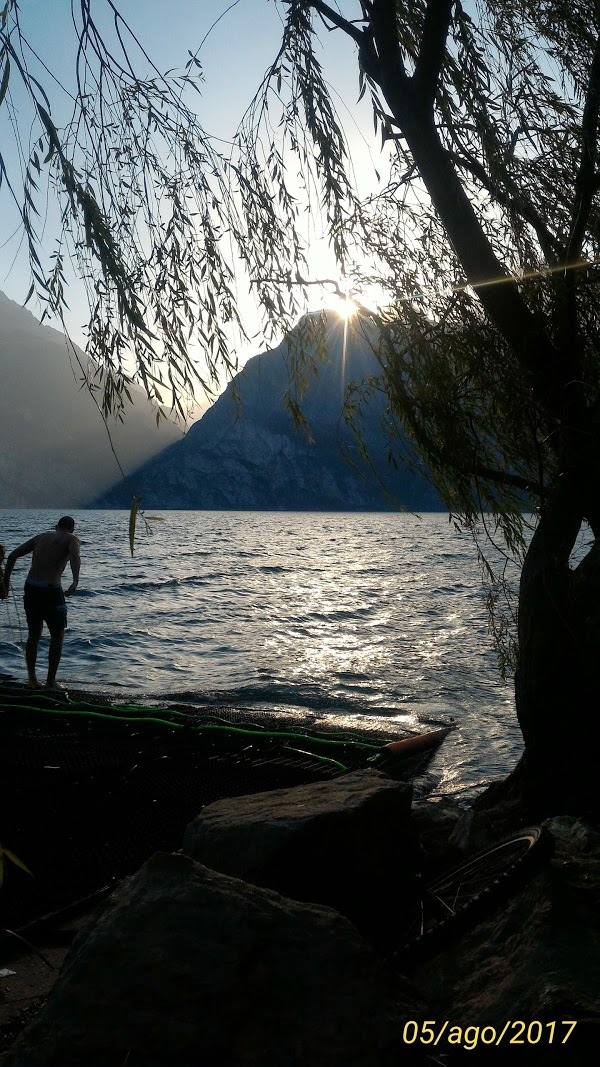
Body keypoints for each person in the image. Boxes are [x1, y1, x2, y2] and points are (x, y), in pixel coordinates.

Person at [2, 516, 81, 690]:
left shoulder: (41, 537)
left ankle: (32, 679)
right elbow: (75, 557)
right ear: (72, 529)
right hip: (51, 591)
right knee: (57, 636)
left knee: (34, 634)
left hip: (31, 588)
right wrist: (75, 581)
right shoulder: (72, 539)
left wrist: (5, 583)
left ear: (56, 526)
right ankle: (51, 682)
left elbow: (13, 554)